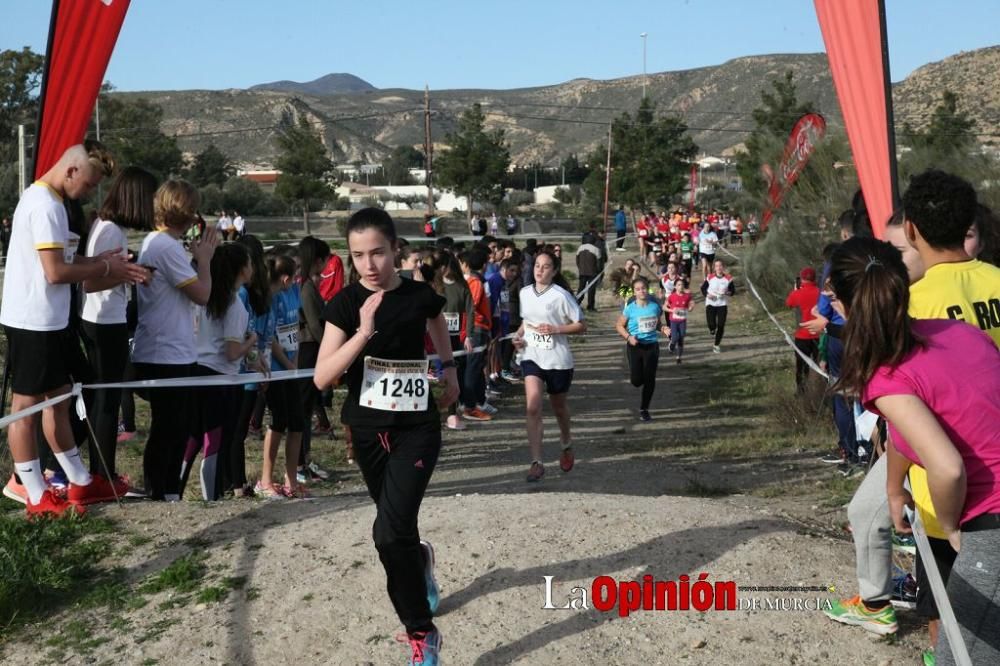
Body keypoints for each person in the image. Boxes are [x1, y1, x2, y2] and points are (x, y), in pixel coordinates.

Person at [827, 235, 1000, 666]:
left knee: (962, 656)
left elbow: (948, 468)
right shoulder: (956, 332)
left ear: (845, 305)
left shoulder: (887, 376)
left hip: (992, 521)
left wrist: (950, 523)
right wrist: (894, 486)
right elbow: (929, 419)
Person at [313, 208, 458, 666]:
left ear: (396, 248)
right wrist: (363, 333)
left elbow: (435, 321)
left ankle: (421, 632)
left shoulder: (419, 295)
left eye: (377, 252)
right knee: (396, 530)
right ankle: (420, 561)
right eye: (358, 255)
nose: (369, 264)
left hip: (417, 429)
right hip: (369, 431)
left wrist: (450, 370)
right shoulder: (345, 302)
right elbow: (322, 377)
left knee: (386, 533)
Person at [0, 143, 147, 515]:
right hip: (32, 320)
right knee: (26, 407)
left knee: (61, 401)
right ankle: (33, 492)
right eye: (87, 184)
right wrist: (104, 270)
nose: (88, 193)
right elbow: (56, 273)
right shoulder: (47, 206)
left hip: (52, 321)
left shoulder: (49, 202)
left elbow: (63, 261)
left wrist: (97, 260)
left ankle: (81, 481)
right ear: (70, 171)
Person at [133, 180, 219, 501]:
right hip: (166, 353)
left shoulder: (158, 242)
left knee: (174, 427)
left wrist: (196, 259)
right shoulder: (166, 247)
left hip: (171, 349)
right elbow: (202, 294)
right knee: (169, 428)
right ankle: (162, 490)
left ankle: (166, 489)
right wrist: (206, 259)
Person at [79, 166, 158, 491]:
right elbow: (91, 281)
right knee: (107, 402)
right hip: (104, 322)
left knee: (103, 400)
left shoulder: (108, 226)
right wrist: (130, 273)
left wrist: (128, 268)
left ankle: (102, 473)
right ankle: (105, 475)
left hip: (101, 320)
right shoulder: (111, 230)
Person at [186, 243, 256, 500]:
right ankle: (212, 496)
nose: (253, 268)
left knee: (193, 437)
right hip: (222, 379)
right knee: (215, 441)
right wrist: (252, 341)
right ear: (240, 270)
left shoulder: (208, 296)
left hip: (197, 372)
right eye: (249, 263)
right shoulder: (235, 304)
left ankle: (176, 488)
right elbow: (231, 352)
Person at [514, 248, 586, 482]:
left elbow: (580, 325)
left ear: (554, 271)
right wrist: (518, 336)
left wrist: (556, 329)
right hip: (531, 356)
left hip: (557, 359)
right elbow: (527, 321)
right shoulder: (525, 293)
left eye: (545, 267)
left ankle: (566, 443)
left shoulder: (561, 295)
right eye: (537, 265)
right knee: (533, 406)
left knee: (559, 408)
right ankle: (537, 462)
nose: (540, 270)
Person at [256, 253, 306, 498]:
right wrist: (286, 362)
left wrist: (294, 360)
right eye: (295, 273)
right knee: (279, 421)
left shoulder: (294, 291)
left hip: (292, 365)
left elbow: (294, 326)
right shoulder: (271, 297)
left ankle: (291, 480)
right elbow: (270, 334)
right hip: (276, 367)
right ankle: (265, 479)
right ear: (284, 278)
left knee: (297, 422)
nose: (298, 278)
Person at [296, 236, 333, 483]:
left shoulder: (307, 284)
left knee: (307, 407)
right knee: (303, 409)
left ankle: (304, 460)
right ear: (318, 260)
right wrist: (330, 350)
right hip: (309, 351)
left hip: (311, 349)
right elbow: (314, 324)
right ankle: (300, 463)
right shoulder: (307, 287)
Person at [616, 276, 670, 421]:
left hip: (652, 345)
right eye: (638, 289)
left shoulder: (655, 307)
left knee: (650, 378)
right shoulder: (630, 309)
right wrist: (628, 337)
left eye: (643, 288)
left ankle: (644, 409)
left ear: (648, 289)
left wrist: (663, 328)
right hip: (635, 346)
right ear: (634, 292)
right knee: (636, 380)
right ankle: (639, 382)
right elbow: (619, 326)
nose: (641, 292)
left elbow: (657, 324)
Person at [785, 267, 821, 393]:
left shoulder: (797, 293)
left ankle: (801, 391)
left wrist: (795, 290)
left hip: (802, 335)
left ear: (801, 279)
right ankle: (821, 390)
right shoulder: (820, 292)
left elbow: (789, 304)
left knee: (801, 366)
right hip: (818, 335)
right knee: (820, 365)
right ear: (814, 278)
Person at [700, 259, 735, 353]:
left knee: (721, 325)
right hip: (710, 303)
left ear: (723, 267)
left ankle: (716, 345)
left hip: (722, 304)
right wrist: (708, 295)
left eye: (720, 266)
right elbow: (703, 288)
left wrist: (726, 292)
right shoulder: (710, 277)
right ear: (714, 268)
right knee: (711, 324)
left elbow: (732, 291)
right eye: (716, 266)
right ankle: (712, 329)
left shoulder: (728, 278)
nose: (719, 268)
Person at [666, 277, 695, 364]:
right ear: (675, 287)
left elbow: (692, 303)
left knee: (681, 336)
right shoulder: (672, 296)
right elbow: (664, 307)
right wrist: (671, 310)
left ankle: (679, 357)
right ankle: (672, 344)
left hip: (682, 320)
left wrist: (691, 307)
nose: (681, 286)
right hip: (674, 320)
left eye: (682, 284)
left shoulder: (687, 296)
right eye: (678, 285)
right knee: (675, 337)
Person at [575, 232, 601, 312]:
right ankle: (590, 306)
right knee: (591, 290)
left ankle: (576, 304)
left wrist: (580, 268)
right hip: (593, 273)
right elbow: (599, 263)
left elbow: (577, 260)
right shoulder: (596, 249)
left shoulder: (580, 248)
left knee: (581, 289)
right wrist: (598, 271)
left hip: (582, 272)